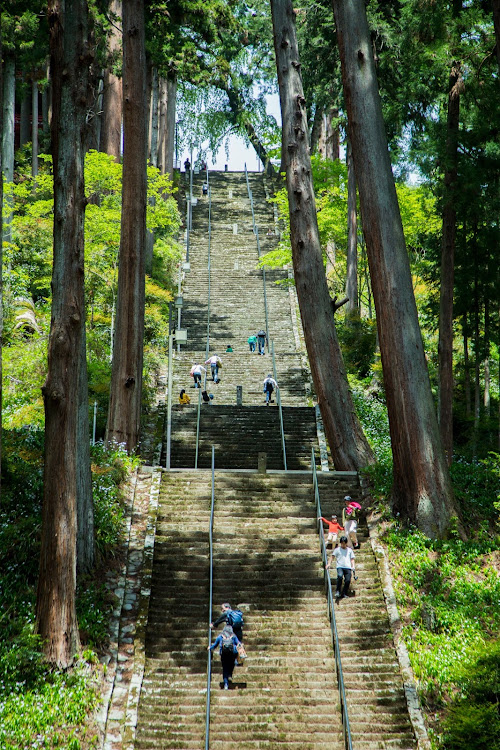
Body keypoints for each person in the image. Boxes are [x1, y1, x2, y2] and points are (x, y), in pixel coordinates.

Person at [208, 625, 240, 690]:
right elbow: (238, 644)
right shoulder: (233, 636)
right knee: (231, 664)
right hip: (232, 654)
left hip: (224, 654)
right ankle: (230, 675)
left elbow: (215, 645)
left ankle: (226, 684)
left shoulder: (221, 636)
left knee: (225, 668)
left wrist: (210, 648)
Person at [328, 535, 356, 602]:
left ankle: (344, 593)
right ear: (340, 543)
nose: (343, 545)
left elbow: (352, 559)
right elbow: (332, 557)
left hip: (348, 567)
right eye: (342, 543)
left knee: (348, 580)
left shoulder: (349, 550)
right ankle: (337, 591)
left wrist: (353, 566)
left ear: (346, 543)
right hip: (340, 566)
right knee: (340, 576)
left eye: (344, 543)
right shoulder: (337, 550)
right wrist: (329, 564)